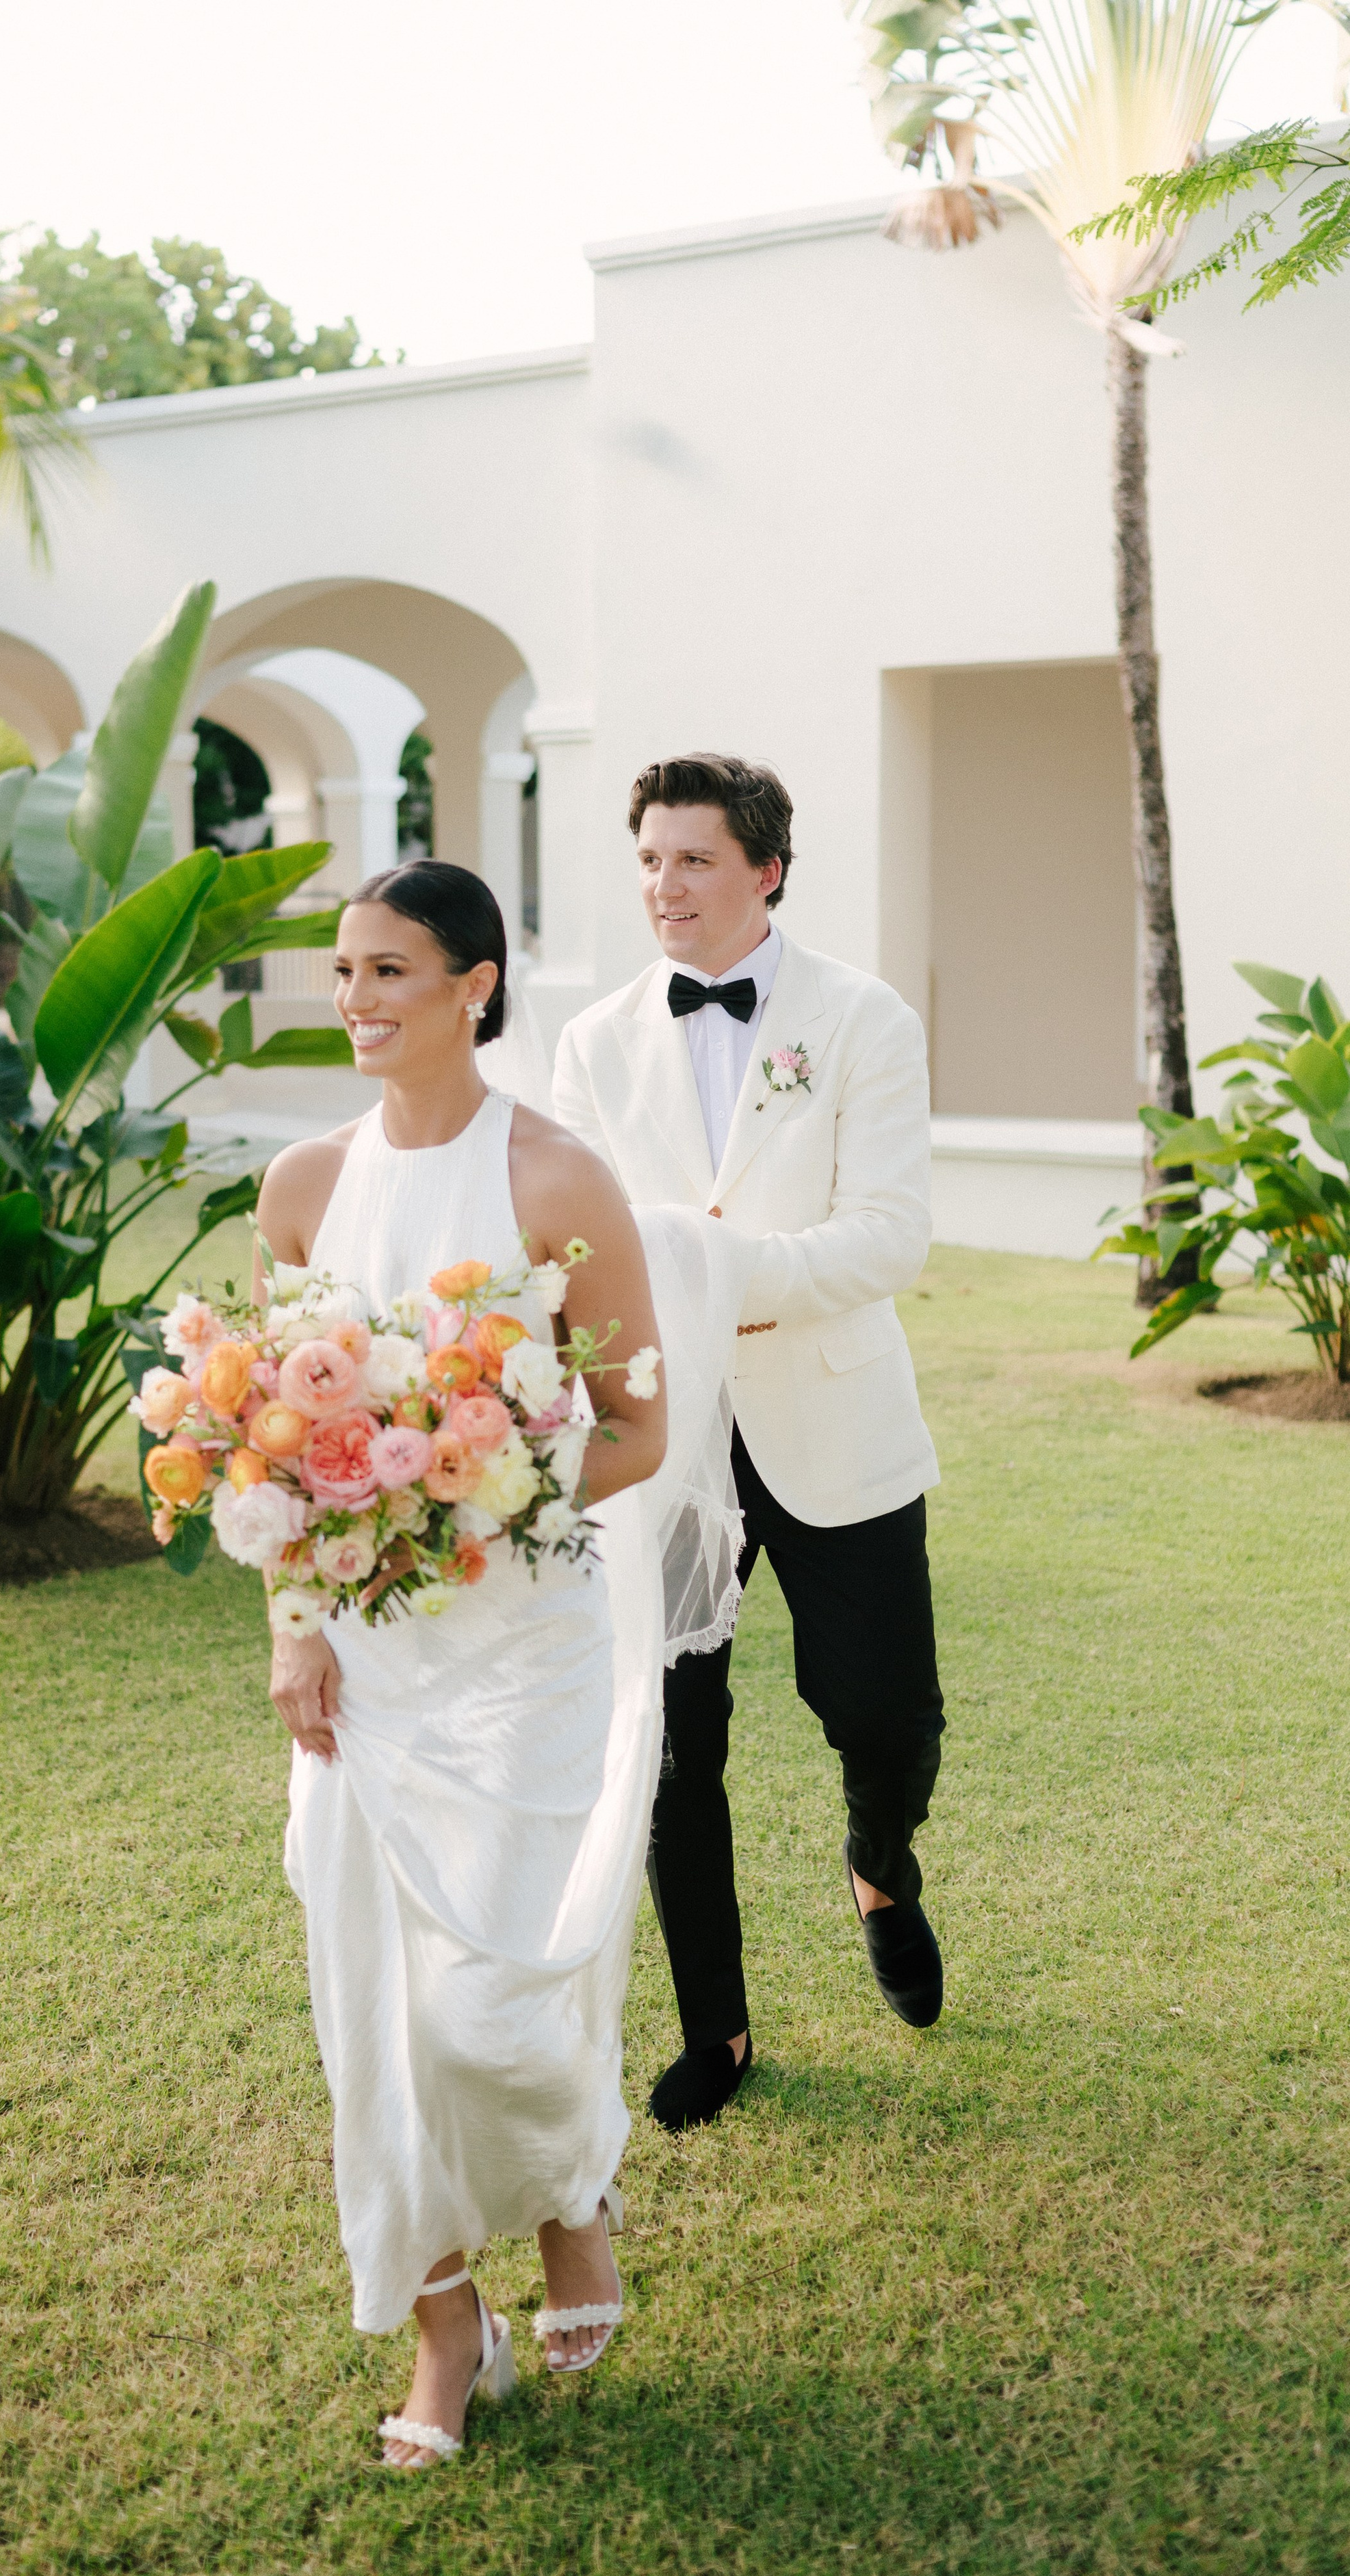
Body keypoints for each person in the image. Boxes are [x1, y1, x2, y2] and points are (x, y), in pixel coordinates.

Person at [257, 860, 676, 2471]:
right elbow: (271, 1447)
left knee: (489, 2013)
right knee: (370, 2009)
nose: (355, 1001)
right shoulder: (300, 1185)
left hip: (522, 1648)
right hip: (364, 1665)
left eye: (388, 973)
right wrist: (297, 1624)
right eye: (343, 973)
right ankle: (446, 2327)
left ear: (475, 986)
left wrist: (470, 1490)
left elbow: (632, 1426)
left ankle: (571, 2189)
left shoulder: (558, 1180)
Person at [553, 753, 946, 2136]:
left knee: (884, 1715)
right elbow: (584, 1242)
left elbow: (889, 1233)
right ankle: (712, 2027)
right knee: (671, 1742)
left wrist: (719, 1273)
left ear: (765, 868)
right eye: (649, 860)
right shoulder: (594, 1038)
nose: (664, 887)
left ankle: (877, 1863)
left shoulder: (862, 1019)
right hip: (667, 1440)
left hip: (834, 1416)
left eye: (693, 861)